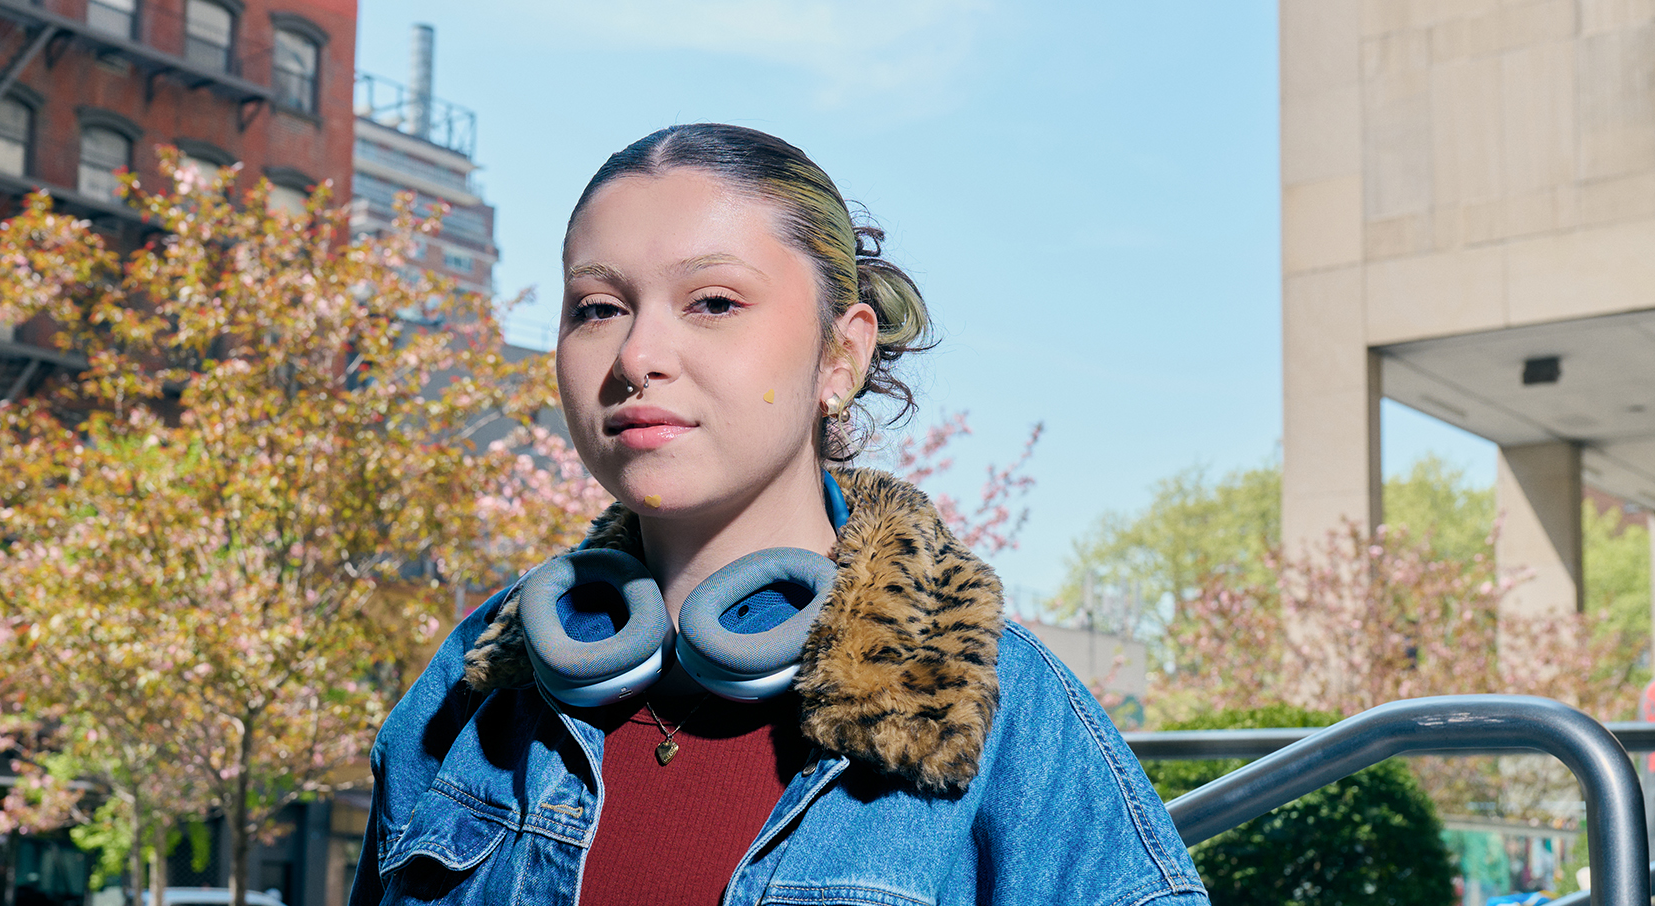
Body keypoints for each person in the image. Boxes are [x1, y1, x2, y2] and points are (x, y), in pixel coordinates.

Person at [347, 124, 1208, 906]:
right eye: (598, 309)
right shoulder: (474, 681)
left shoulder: (1000, 715)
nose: (638, 356)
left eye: (714, 302)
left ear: (842, 353)